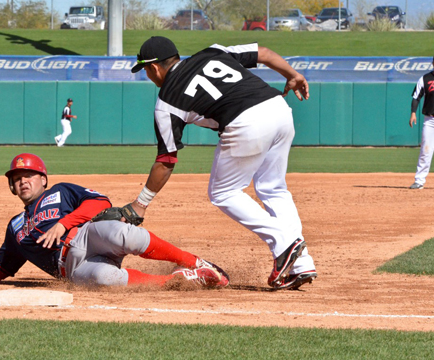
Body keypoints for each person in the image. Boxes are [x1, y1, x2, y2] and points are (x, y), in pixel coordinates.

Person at [128, 36, 317, 290]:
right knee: (273, 188)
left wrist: (141, 204)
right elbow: (264, 53)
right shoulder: (212, 52)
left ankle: (285, 243)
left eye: (146, 71)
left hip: (246, 122)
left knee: (223, 192)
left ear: (153, 67)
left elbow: (166, 160)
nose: (149, 77)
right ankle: (301, 263)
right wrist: (292, 74)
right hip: (278, 108)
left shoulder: (167, 101)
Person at [0, 153, 229, 289]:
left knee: (123, 233)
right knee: (104, 280)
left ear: (42, 179)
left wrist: (64, 223)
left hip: (85, 236)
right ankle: (180, 281)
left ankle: (196, 262)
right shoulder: (15, 227)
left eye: (28, 175)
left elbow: (101, 202)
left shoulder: (61, 192)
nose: (22, 182)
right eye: (16, 179)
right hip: (70, 268)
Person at [408, 57, 434, 190]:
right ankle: (419, 181)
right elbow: (416, 96)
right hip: (430, 121)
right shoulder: (425, 79)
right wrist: (413, 113)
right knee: (426, 150)